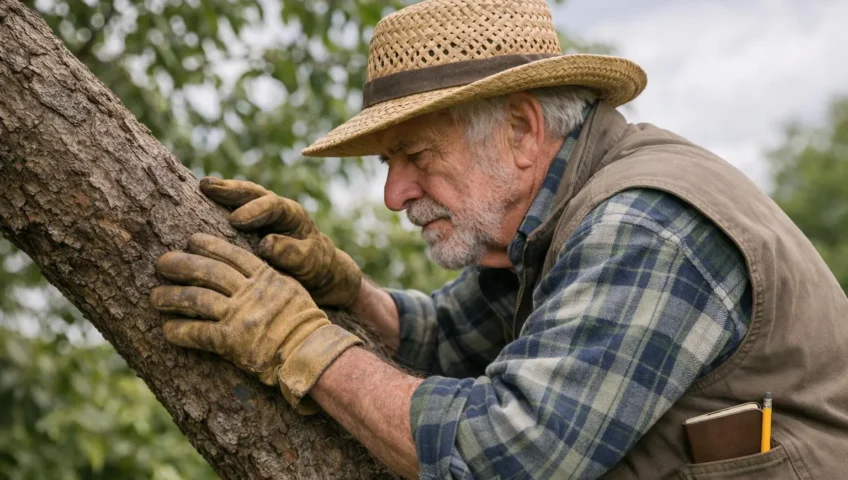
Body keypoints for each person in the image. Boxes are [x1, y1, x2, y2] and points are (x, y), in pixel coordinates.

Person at [149, 0, 848, 478]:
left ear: (520, 131)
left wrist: (302, 344)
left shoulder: (642, 228)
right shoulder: (556, 214)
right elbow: (455, 334)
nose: (394, 196)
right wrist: (347, 291)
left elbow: (509, 457)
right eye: (388, 166)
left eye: (416, 157)